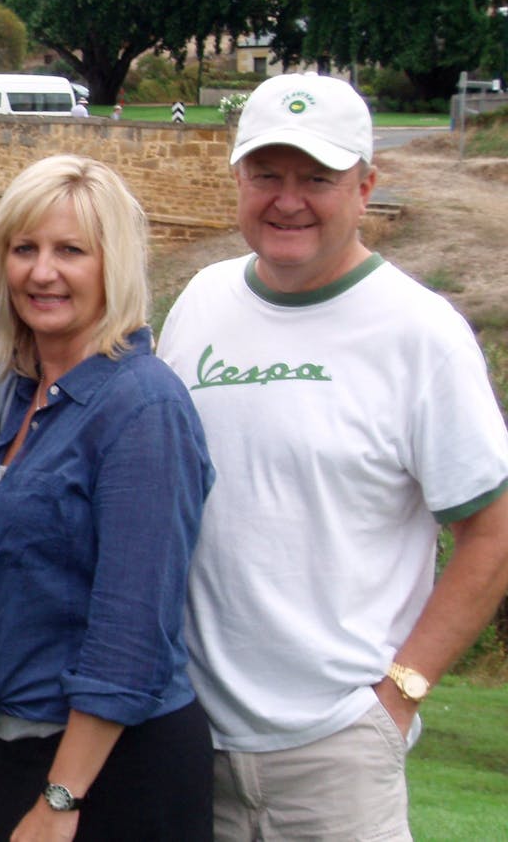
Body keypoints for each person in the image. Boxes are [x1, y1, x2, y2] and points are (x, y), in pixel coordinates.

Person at [159, 72, 508, 839]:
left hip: (339, 753)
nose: (288, 200)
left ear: (365, 187)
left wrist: (400, 694)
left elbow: (492, 533)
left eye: (317, 178)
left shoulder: (421, 333)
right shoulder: (199, 303)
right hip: (189, 742)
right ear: (238, 179)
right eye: (267, 174)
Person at [0, 155, 214, 841]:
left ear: (113, 265)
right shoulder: (28, 396)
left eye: (71, 251)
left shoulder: (142, 405)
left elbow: (133, 628)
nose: (42, 272)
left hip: (115, 769)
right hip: (26, 748)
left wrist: (61, 798)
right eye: (25, 249)